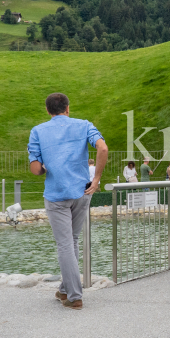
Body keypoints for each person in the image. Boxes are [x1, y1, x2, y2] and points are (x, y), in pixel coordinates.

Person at [27, 92, 108, 310]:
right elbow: (102, 148)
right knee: (71, 242)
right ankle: (64, 289)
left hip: (56, 195)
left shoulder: (38, 131)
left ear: (48, 111)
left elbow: (36, 169)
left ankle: (74, 296)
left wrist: (46, 165)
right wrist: (97, 178)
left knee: (65, 244)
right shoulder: (84, 125)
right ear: (68, 108)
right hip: (82, 192)